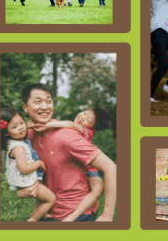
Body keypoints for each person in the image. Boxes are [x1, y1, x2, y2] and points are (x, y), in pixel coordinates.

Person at [17, 83, 117, 222]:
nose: (44, 106)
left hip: (78, 215)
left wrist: (107, 215)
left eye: (48, 101)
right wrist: (40, 203)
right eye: (38, 102)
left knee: (97, 188)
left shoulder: (70, 135)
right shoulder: (28, 135)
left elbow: (111, 167)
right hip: (50, 211)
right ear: (25, 107)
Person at [28, 107, 111, 222]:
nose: (82, 117)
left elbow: (70, 124)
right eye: (85, 112)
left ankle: (77, 215)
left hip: (89, 167)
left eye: (87, 119)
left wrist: (49, 124)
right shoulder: (66, 132)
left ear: (92, 129)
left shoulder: (87, 132)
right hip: (78, 164)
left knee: (97, 189)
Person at [0, 108, 56, 221]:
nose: (21, 127)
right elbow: (24, 169)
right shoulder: (19, 147)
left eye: (21, 123)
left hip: (22, 180)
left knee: (43, 186)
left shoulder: (14, 141)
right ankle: (33, 220)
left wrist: (28, 125)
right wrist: (39, 163)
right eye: (14, 127)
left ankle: (42, 213)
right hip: (26, 182)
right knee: (51, 199)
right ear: (6, 133)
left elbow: (28, 125)